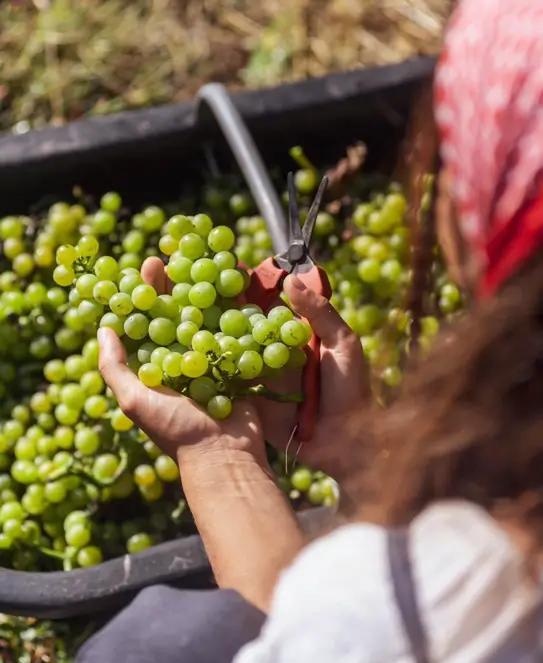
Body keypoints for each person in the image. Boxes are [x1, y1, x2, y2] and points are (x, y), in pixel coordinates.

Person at [77, 0, 543, 661]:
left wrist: (216, 458)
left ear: (486, 217)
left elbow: (312, 627)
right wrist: (357, 457)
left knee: (151, 643)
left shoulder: (449, 600)